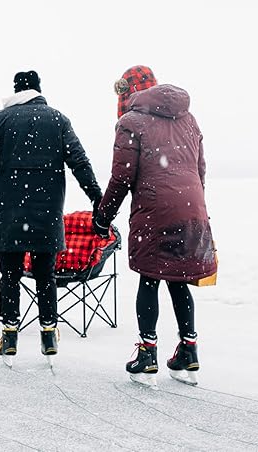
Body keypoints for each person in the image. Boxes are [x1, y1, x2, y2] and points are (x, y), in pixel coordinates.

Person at [0, 70, 103, 367]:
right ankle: (49, 332)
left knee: (9, 274)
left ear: (16, 91)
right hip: (47, 212)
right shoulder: (57, 119)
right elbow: (79, 162)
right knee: (45, 274)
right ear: (38, 90)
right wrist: (97, 198)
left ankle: (10, 335)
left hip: (11, 211)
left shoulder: (2, 119)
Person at [93, 66, 217, 386]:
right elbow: (199, 169)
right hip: (191, 210)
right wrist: (193, 206)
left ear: (127, 93)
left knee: (149, 279)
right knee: (178, 279)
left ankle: (147, 353)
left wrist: (102, 217)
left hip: (155, 211)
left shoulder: (131, 121)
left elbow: (122, 178)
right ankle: (189, 349)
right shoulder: (188, 118)